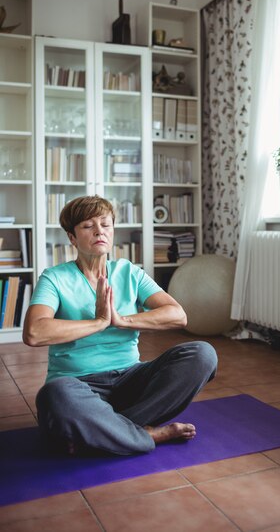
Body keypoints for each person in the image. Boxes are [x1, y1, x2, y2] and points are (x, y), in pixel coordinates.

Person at [23, 195, 217, 456]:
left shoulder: (129, 272)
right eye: (88, 226)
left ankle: (105, 430)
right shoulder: (55, 278)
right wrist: (98, 322)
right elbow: (34, 332)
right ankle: (145, 433)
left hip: (130, 379)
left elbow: (177, 315)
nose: (99, 231)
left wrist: (121, 320)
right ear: (72, 237)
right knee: (55, 395)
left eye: (105, 224)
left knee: (202, 353)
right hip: (79, 386)